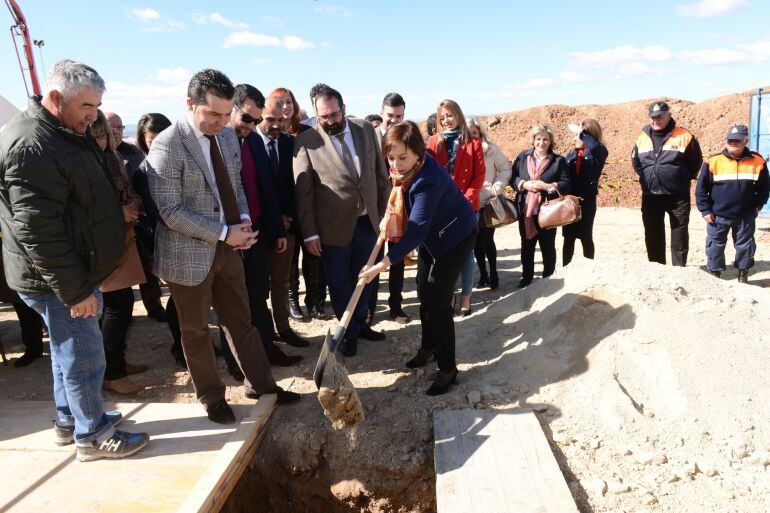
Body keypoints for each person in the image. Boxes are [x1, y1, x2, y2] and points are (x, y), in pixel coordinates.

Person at [0, 60, 148, 460]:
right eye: (86, 106)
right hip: (60, 279)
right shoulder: (33, 146)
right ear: (54, 98)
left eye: (97, 105)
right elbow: (37, 230)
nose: (94, 114)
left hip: (70, 270)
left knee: (69, 352)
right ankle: (94, 435)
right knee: (83, 354)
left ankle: (71, 420)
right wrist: (75, 289)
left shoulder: (62, 130)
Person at [146, 68, 300, 425]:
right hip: (188, 254)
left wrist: (243, 218)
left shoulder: (229, 138)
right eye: (212, 114)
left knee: (241, 321)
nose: (220, 121)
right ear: (190, 104)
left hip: (229, 247)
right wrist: (222, 232)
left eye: (225, 113)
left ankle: (261, 385)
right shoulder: (168, 144)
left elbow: (236, 185)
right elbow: (169, 210)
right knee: (196, 331)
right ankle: (213, 398)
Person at [359, 121, 477, 395]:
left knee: (438, 301)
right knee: (424, 291)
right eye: (391, 157)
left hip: (456, 236)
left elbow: (415, 231)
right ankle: (429, 347)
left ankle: (448, 369)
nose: (396, 164)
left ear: (417, 153)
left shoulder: (427, 179)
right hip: (433, 237)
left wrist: (382, 264)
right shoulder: (404, 173)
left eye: (402, 158)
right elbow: (400, 202)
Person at [293, 83, 390, 357]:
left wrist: (386, 213)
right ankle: (347, 330)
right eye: (324, 117)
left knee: (367, 278)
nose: (331, 121)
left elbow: (380, 175)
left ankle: (360, 324)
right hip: (332, 227)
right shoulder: (306, 141)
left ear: (343, 108)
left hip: (369, 221)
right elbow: (304, 193)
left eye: (334, 115)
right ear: (315, 113)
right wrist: (310, 234)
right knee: (339, 282)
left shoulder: (365, 130)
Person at [227, 83, 302, 365]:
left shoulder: (254, 142)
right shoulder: (222, 141)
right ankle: (242, 361)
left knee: (260, 293)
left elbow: (266, 189)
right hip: (232, 236)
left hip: (260, 230)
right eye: (250, 119)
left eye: (257, 120)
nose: (254, 125)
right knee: (237, 301)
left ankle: (268, 347)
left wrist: (278, 228)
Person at [89, 110, 148, 394]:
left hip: (122, 239)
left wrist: (133, 202)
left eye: (108, 134)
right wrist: (119, 212)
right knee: (116, 306)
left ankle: (117, 363)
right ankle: (112, 372)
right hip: (104, 245)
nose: (105, 139)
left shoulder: (110, 158)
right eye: (98, 135)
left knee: (121, 306)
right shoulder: (87, 162)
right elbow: (88, 208)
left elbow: (124, 188)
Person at [268, 87, 329, 322]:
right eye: (280, 102)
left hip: (309, 203)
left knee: (314, 255)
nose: (286, 106)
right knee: (289, 260)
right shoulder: (268, 136)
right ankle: (292, 299)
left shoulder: (306, 132)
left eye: (289, 102)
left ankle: (315, 301)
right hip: (285, 208)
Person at [131, 113, 187, 366]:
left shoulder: (183, 161)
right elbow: (158, 212)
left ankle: (190, 345)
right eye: (152, 140)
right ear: (143, 141)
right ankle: (181, 347)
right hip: (165, 241)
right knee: (179, 299)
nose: (158, 144)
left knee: (190, 301)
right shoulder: (143, 172)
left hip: (192, 238)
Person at [255, 96, 309, 348]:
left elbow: (296, 186)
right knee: (255, 286)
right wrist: (272, 218)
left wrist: (288, 218)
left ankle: (284, 328)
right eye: (269, 120)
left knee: (281, 280)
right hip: (256, 230)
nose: (276, 125)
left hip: (286, 228)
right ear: (258, 117)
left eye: (280, 120)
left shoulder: (291, 143)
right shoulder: (247, 143)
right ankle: (261, 335)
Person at [107, 111, 167, 324]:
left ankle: (154, 306)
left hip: (142, 221)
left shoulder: (133, 153)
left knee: (149, 270)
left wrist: (136, 201)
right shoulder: (101, 155)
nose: (116, 131)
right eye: (111, 127)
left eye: (120, 127)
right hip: (114, 228)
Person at [427, 100, 485, 316]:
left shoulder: (474, 143)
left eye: (449, 115)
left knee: (467, 255)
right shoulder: (433, 143)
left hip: (467, 208)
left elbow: (478, 177)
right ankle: (449, 296)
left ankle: (466, 298)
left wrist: (464, 201)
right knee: (443, 254)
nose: (446, 120)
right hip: (441, 210)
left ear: (458, 115)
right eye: (442, 118)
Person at [631, 101, 703, 266]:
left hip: (677, 197)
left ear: (669, 115)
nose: (656, 120)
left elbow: (695, 162)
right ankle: (657, 270)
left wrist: (681, 179)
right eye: (653, 117)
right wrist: (647, 179)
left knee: (679, 236)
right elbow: (636, 163)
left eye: (659, 117)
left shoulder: (685, 136)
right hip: (651, 196)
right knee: (653, 235)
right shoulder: (642, 139)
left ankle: (678, 271)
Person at [696, 124, 769, 283]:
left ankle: (743, 273)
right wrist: (705, 210)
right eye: (730, 140)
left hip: (745, 215)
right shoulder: (713, 161)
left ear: (746, 141)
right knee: (715, 245)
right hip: (717, 215)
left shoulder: (758, 162)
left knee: (745, 245)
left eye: (737, 140)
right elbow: (701, 190)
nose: (733, 143)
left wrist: (758, 206)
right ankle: (715, 274)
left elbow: (764, 189)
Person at [510, 124, 571, 288]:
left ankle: (548, 278)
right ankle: (527, 278)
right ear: (533, 140)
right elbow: (512, 177)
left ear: (551, 141)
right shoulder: (523, 157)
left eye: (545, 139)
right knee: (527, 245)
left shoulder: (558, 161)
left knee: (548, 246)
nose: (541, 143)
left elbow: (566, 183)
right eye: (538, 139)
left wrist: (546, 186)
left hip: (548, 210)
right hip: (526, 210)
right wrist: (524, 184)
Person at [368, 92, 409, 325]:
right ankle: (370, 309)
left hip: (399, 207)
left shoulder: (406, 137)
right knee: (372, 258)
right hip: (373, 208)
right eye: (390, 115)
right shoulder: (369, 136)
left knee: (396, 259)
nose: (394, 120)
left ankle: (395, 307)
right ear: (381, 112)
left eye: (399, 116)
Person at [468, 117, 511, 290]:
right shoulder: (461, 150)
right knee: (476, 242)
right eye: (468, 133)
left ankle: (493, 272)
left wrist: (497, 186)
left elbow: (506, 168)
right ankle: (483, 274)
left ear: (480, 133)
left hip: (487, 202)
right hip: (469, 204)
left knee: (487, 240)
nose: (472, 136)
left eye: (475, 133)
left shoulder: (491, 150)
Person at [563, 119, 608, 265]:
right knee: (568, 238)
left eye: (579, 135)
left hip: (587, 202)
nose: (575, 138)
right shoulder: (571, 155)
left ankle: (589, 269)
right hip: (569, 202)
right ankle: (565, 268)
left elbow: (594, 146)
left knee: (585, 236)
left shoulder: (599, 152)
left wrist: (582, 132)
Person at [0, 237, 45, 367]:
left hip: (15, 255)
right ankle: (33, 347)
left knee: (25, 304)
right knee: (23, 305)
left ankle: (34, 348)